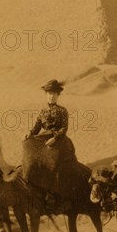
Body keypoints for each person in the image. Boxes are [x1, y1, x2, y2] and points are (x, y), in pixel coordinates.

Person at [23, 79, 77, 208]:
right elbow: (37, 126)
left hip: (59, 139)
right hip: (44, 136)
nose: (51, 96)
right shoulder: (43, 111)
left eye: (54, 94)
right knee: (28, 146)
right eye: (49, 93)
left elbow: (64, 128)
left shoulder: (62, 110)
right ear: (46, 95)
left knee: (54, 161)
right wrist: (30, 133)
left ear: (58, 95)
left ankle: (54, 193)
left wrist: (55, 138)